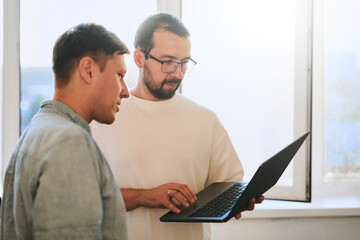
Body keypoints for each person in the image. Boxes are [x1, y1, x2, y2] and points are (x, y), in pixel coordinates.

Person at [91, 13, 264, 240]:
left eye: (184, 63)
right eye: (168, 62)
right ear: (139, 58)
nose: (177, 72)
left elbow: (228, 185)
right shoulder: (102, 119)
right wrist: (145, 197)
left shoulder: (205, 120)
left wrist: (239, 201)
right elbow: (85, 199)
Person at [1, 23, 130, 239]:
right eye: (119, 75)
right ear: (88, 70)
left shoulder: (38, 131)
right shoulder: (69, 142)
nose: (125, 91)